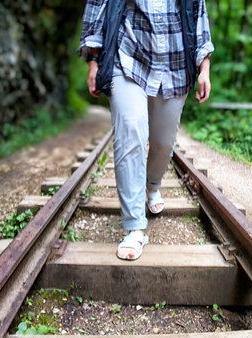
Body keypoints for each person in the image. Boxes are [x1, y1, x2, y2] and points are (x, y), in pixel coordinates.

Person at [78, 0, 214, 260]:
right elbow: (98, 6)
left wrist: (204, 68)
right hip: (127, 58)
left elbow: (199, 15)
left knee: (163, 143)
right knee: (131, 133)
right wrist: (94, 63)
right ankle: (135, 227)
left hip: (175, 66)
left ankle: (153, 184)